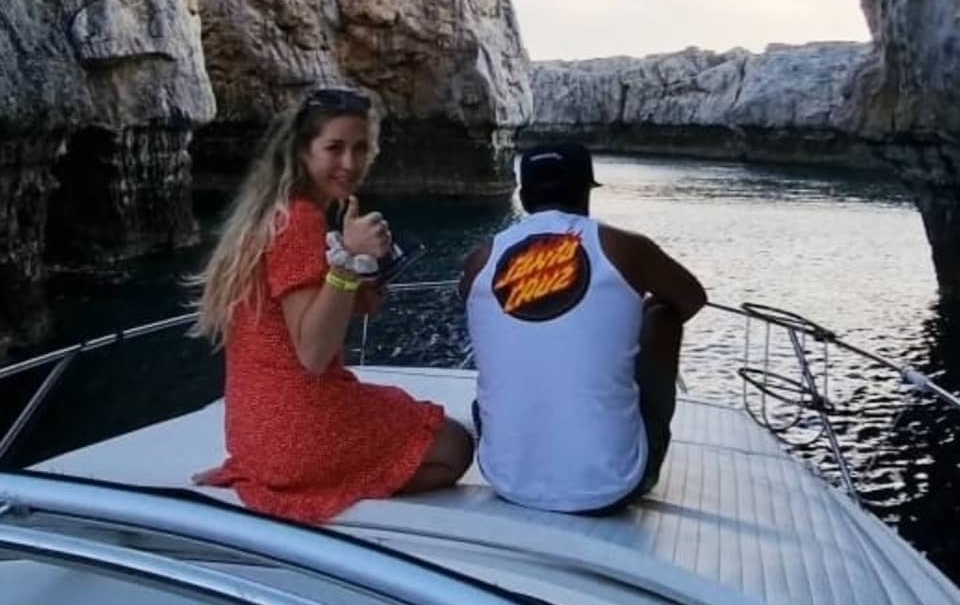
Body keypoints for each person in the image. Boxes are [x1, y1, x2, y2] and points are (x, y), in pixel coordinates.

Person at [192, 86, 473, 522]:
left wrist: (359, 277)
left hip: (252, 433)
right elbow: (313, 353)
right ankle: (328, 486)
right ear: (304, 150)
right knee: (456, 446)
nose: (350, 162)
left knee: (406, 420)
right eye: (334, 148)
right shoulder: (300, 221)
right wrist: (346, 260)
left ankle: (295, 474)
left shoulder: (271, 213)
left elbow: (294, 310)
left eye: (361, 148)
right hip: (297, 431)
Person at [458, 142, 706, 515]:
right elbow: (691, 299)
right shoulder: (625, 248)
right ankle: (637, 443)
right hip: (612, 487)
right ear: (585, 191)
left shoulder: (480, 260)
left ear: (524, 197)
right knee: (663, 313)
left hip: (505, 478)